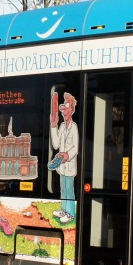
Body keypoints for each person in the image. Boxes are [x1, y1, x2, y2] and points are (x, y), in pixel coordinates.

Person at [49, 91, 78, 224]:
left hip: (69, 166)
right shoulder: (61, 126)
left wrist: (67, 155)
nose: (64, 112)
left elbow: (75, 148)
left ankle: (70, 213)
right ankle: (63, 210)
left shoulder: (74, 127)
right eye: (62, 109)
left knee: (69, 189)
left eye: (66, 108)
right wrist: (53, 126)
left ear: (71, 110)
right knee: (63, 189)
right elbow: (55, 144)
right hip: (62, 166)